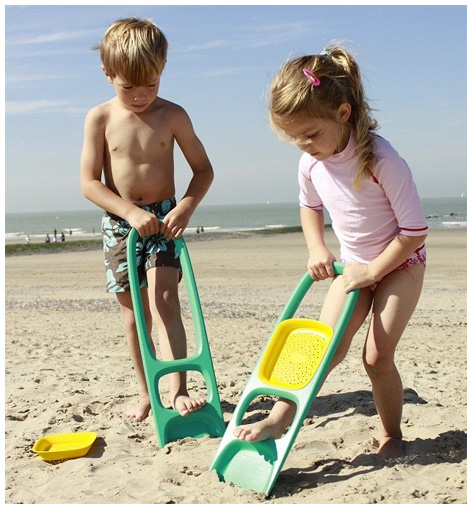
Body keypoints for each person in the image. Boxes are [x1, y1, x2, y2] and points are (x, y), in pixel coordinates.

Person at [233, 44, 428, 459]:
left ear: (343, 113)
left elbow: (414, 232)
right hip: (353, 265)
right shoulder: (311, 164)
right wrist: (316, 247)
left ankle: (392, 434)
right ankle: (279, 417)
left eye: (310, 134)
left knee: (375, 357)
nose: (303, 145)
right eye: (293, 138)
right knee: (324, 348)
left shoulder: (382, 161)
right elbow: (310, 206)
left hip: (399, 264)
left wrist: (374, 271)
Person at [80, 17, 214, 422]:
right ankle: (146, 390)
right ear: (107, 73)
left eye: (150, 85)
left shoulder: (173, 115)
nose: (140, 96)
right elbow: (89, 183)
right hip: (121, 223)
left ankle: (178, 388)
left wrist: (186, 207)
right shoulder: (99, 118)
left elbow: (203, 170)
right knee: (133, 312)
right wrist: (129, 212)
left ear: (163, 69)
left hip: (164, 219)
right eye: (128, 87)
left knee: (166, 301)